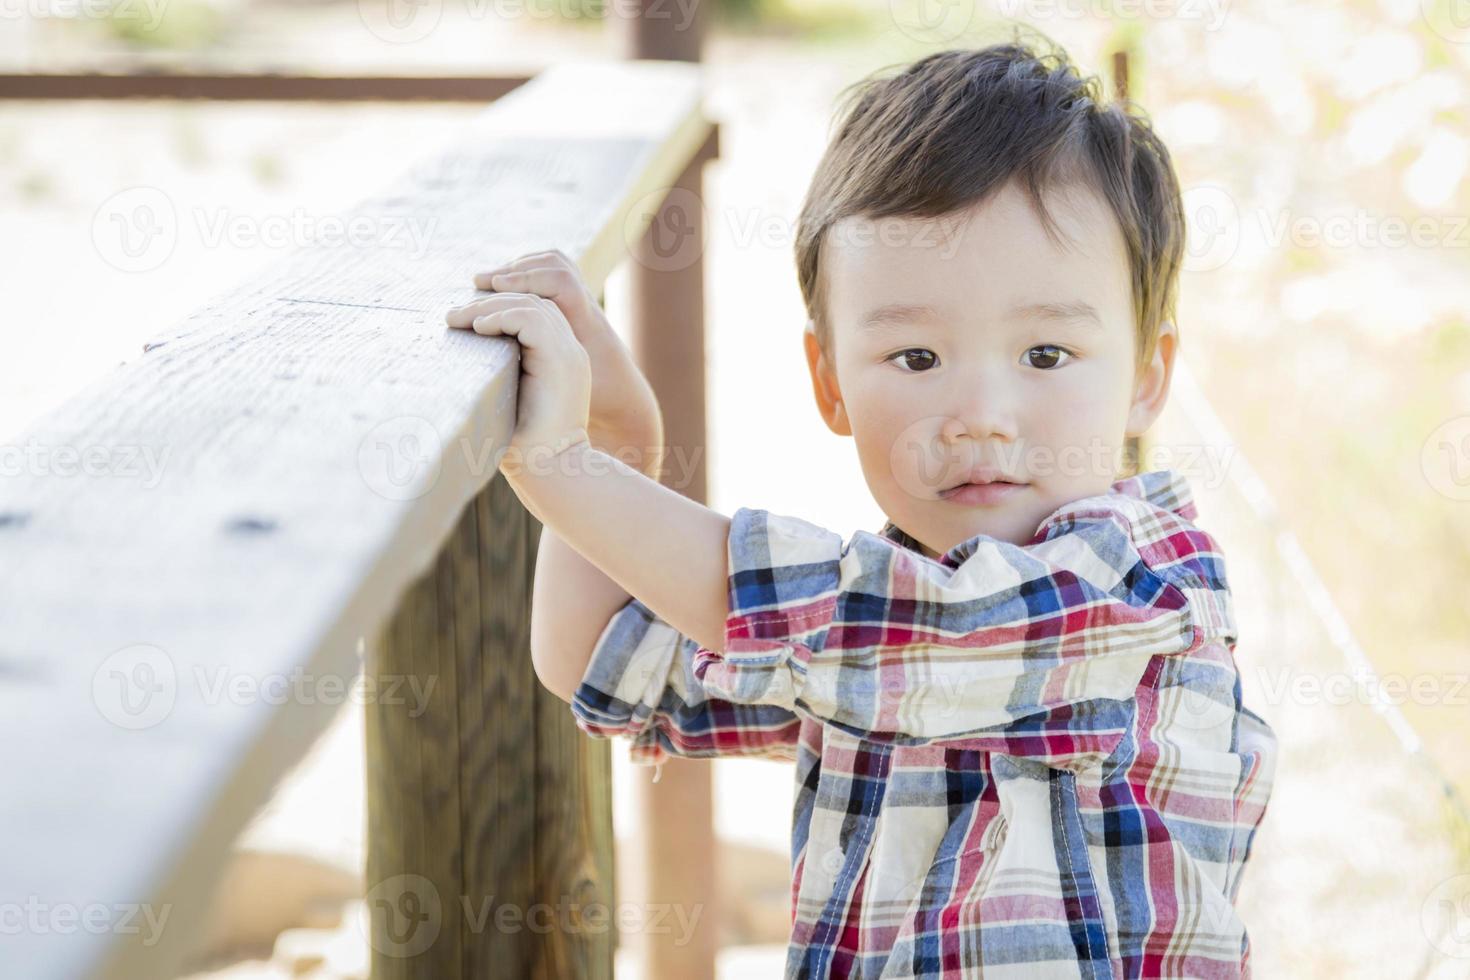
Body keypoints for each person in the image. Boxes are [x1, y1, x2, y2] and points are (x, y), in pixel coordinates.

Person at [446, 34, 1277, 979]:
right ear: (830, 381)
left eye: (1045, 355)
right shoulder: (857, 643)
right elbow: (607, 659)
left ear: (1146, 376)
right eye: (916, 358)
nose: (981, 419)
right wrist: (612, 444)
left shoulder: (1142, 588)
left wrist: (562, 471)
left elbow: (911, 626)